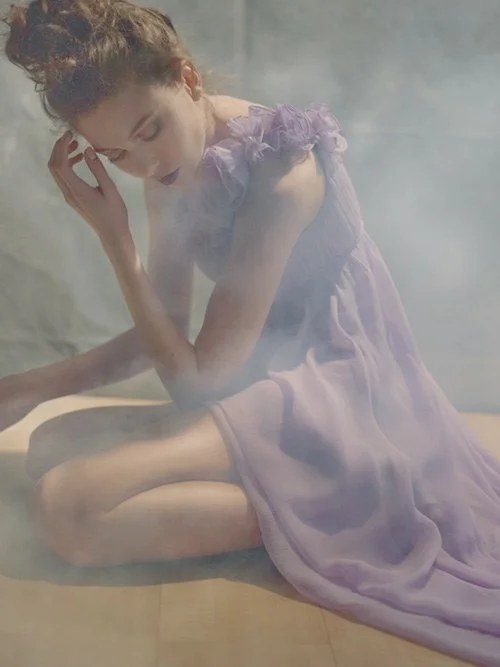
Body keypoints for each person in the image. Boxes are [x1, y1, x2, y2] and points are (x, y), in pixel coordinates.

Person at [1, 1, 500, 664]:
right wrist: (34, 386)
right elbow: (162, 334)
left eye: (149, 131)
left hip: (340, 394)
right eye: (116, 153)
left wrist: (117, 242)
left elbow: (196, 381)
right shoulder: (170, 168)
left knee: (67, 508)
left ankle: (342, 509)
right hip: (259, 380)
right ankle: (300, 499)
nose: (142, 164)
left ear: (186, 76)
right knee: (50, 446)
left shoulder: (282, 170)